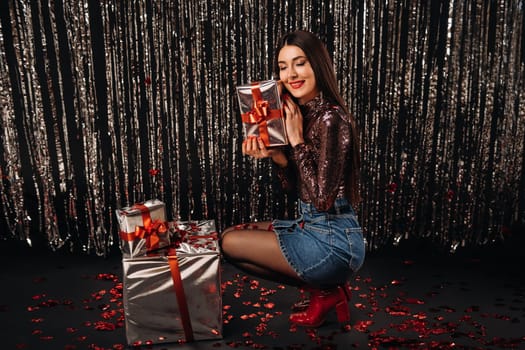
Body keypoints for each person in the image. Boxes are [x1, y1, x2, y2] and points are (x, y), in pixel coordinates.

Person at [221, 30, 365, 328]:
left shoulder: (331, 118)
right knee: (228, 238)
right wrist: (276, 157)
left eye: (300, 63)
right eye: (283, 67)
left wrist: (297, 140)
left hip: (333, 241)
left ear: (317, 65)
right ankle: (323, 290)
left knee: (232, 242)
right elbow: (296, 189)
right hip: (313, 226)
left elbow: (323, 199)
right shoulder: (299, 113)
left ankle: (324, 286)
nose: (291, 74)